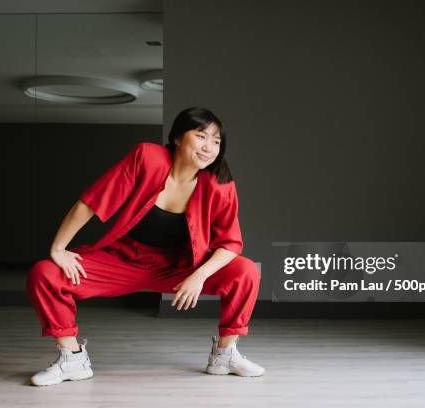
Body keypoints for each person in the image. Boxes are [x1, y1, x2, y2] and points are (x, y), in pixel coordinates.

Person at [25, 107, 265, 386]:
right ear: (177, 137)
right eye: (201, 136)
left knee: (245, 270)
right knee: (45, 273)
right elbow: (92, 201)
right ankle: (73, 358)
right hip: (123, 260)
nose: (209, 147)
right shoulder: (147, 157)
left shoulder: (220, 184)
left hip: (180, 267)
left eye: (216, 141)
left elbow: (230, 243)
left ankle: (225, 354)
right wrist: (58, 248)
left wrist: (198, 276)